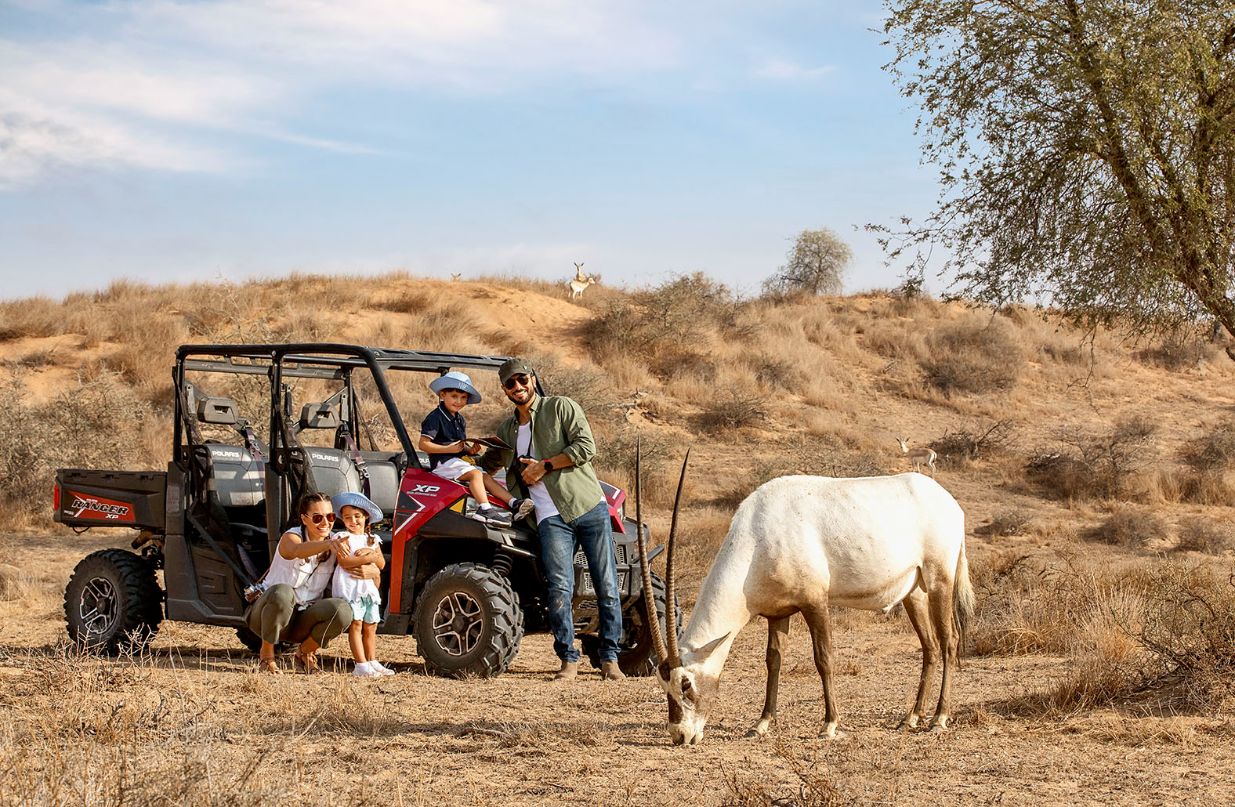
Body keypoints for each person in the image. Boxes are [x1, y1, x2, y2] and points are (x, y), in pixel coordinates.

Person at [494, 358, 625, 681]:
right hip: (549, 517)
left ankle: (610, 659)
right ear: (505, 390)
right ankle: (568, 659)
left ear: (533, 379)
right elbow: (491, 462)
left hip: (587, 506)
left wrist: (545, 466)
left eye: (522, 379)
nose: (518, 387)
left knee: (606, 585)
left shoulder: (561, 407)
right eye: (510, 384)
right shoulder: (507, 430)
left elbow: (585, 447)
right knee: (558, 589)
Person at [244, 491, 376, 674]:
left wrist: (374, 569)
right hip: (267, 617)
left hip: (303, 618)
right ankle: (266, 656)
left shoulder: (337, 542)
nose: (325, 523)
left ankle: (305, 653)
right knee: (282, 592)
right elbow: (296, 550)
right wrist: (327, 545)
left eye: (330, 517)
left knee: (343, 610)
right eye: (317, 518)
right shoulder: (292, 537)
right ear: (304, 519)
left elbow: (357, 567)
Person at [419, 370, 534, 527]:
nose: (458, 401)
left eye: (463, 397)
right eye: (454, 396)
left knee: (485, 476)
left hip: (455, 461)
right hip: (442, 463)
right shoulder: (435, 417)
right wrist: (451, 450)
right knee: (475, 474)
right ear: (442, 395)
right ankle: (484, 509)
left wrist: (469, 450)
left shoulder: (459, 419)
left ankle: (514, 503)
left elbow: (458, 444)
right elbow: (424, 444)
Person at [329, 491, 395, 678]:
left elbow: (381, 564)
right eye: (348, 518)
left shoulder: (372, 540)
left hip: (368, 589)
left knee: (370, 624)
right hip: (351, 587)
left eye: (357, 516)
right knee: (356, 624)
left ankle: (372, 660)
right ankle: (360, 663)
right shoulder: (342, 537)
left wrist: (371, 555)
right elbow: (344, 562)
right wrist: (367, 559)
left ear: (366, 516)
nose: (353, 521)